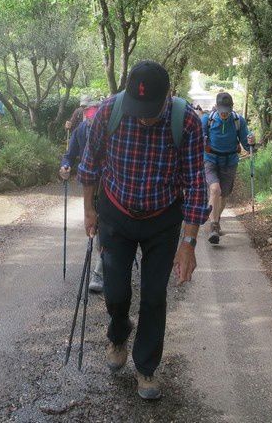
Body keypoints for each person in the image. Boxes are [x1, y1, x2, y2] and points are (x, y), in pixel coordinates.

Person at [77, 60, 209, 400]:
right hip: (116, 214)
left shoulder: (188, 122)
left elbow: (196, 185)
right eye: (138, 109)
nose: (144, 117)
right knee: (116, 290)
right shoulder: (109, 112)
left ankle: (146, 367)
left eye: (151, 110)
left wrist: (189, 243)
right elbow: (90, 164)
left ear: (168, 96)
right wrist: (89, 210)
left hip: (163, 220)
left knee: (154, 295)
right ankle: (118, 333)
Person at [58, 101, 105, 293]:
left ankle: (99, 271)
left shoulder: (110, 129)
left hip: (109, 184)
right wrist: (65, 166)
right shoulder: (79, 131)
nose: (90, 113)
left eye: (93, 109)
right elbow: (69, 155)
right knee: (97, 223)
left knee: (105, 226)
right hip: (90, 186)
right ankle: (103, 265)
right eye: (87, 110)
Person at [201, 92, 255, 244]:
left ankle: (216, 220)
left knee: (223, 195)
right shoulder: (207, 119)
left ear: (231, 108)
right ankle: (213, 226)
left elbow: (246, 144)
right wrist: (202, 139)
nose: (224, 113)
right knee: (214, 190)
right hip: (210, 160)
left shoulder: (238, 121)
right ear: (216, 107)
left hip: (230, 161)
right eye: (221, 110)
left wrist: (251, 142)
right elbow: (198, 139)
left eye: (227, 110)